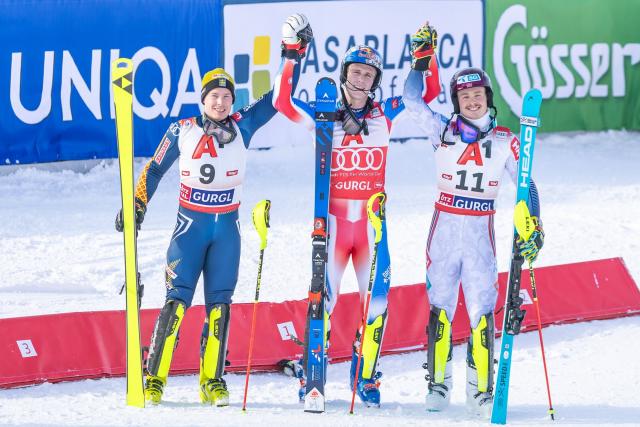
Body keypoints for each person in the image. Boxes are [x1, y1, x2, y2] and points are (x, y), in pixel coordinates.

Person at [114, 14, 313, 406]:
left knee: (220, 308)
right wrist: (136, 204)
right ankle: (154, 378)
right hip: (190, 227)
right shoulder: (182, 129)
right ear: (202, 99)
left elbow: (279, 97)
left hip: (227, 230)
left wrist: (293, 54)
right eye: (213, 96)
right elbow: (154, 169)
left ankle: (212, 380)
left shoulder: (244, 125)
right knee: (176, 304)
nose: (220, 102)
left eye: (226, 96)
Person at [274, 40, 440, 407]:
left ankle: (365, 378)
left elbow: (428, 93)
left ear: (375, 79)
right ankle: (312, 374)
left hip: (371, 229)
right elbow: (281, 101)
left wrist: (425, 60)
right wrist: (290, 55)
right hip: (333, 227)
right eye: (355, 71)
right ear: (344, 74)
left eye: (368, 73)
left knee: (377, 305)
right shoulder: (323, 114)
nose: (362, 78)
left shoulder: (385, 113)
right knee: (323, 303)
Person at [403, 23, 545, 417]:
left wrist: (534, 222)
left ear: (487, 97)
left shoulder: (504, 141)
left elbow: (527, 184)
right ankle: (437, 382)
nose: (472, 102)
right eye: (464, 96)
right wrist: (420, 63)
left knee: (483, 310)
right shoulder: (441, 131)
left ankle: (480, 388)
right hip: (444, 228)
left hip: (481, 230)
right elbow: (411, 101)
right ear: (456, 100)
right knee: (441, 307)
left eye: (477, 94)